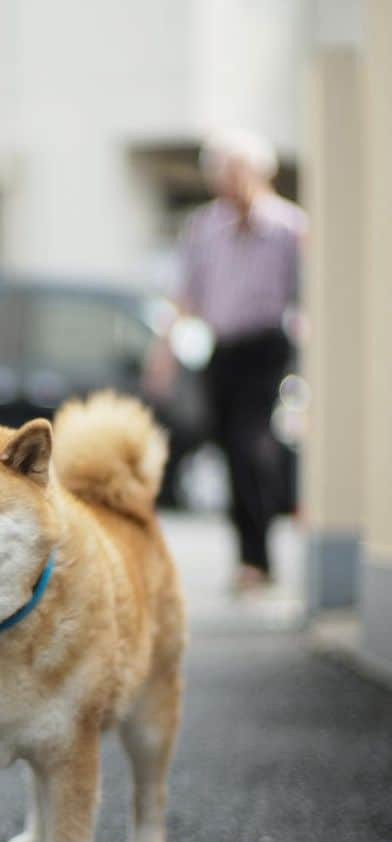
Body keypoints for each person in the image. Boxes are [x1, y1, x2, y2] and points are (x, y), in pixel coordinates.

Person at [169, 128, 307, 592]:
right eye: (221, 175)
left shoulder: (291, 228)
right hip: (221, 350)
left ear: (259, 172)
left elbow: (307, 296)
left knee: (253, 446)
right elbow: (186, 295)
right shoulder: (203, 227)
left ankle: (258, 557)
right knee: (231, 449)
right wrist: (163, 350)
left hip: (268, 349)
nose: (228, 183)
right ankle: (251, 555)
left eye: (236, 172)